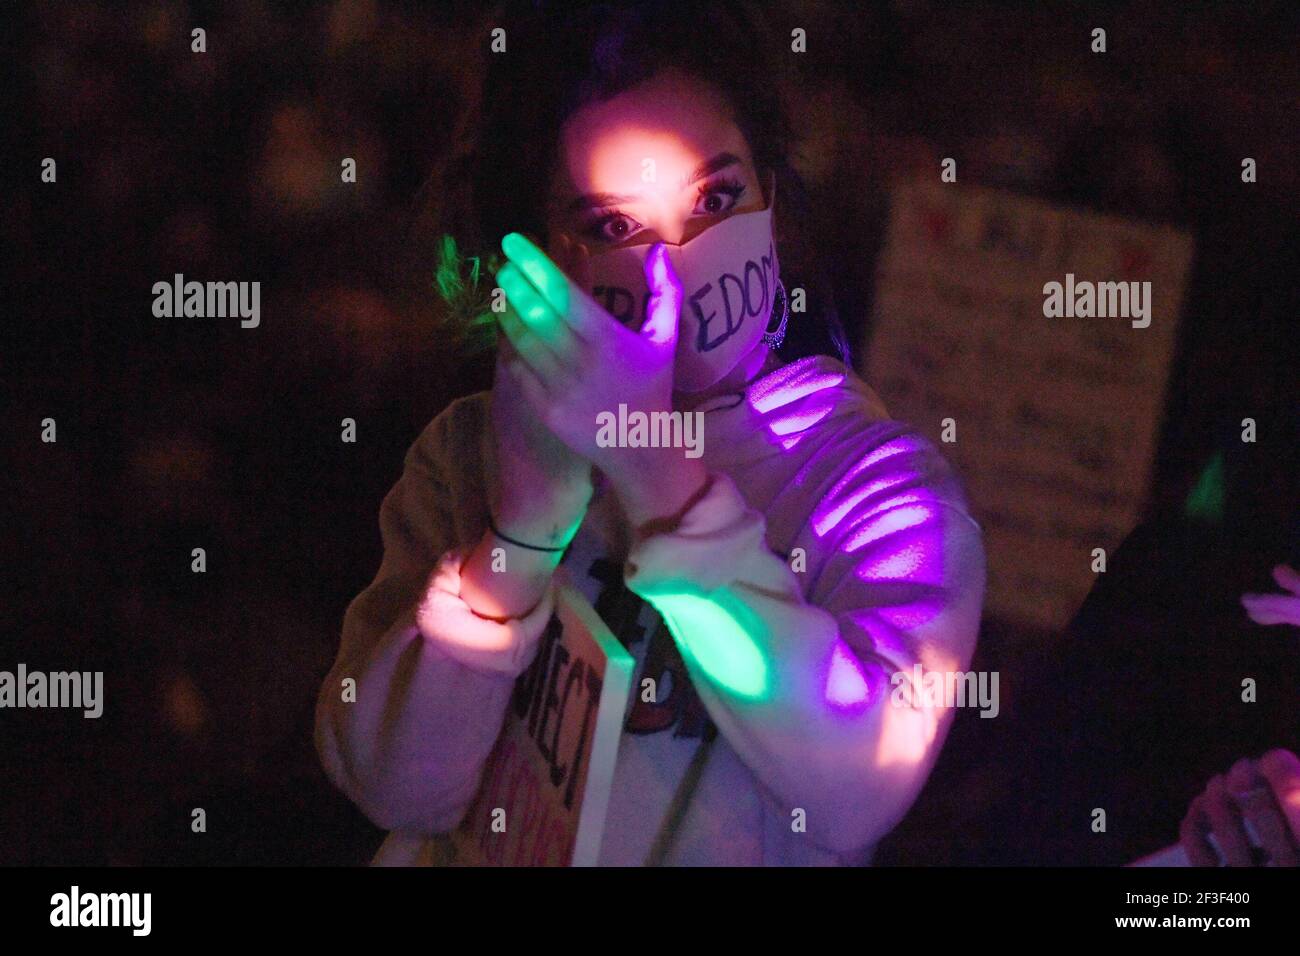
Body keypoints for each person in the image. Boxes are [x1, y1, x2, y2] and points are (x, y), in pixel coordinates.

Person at [315, 0, 985, 866]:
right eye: (615, 227)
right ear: (541, 255)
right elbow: (393, 786)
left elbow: (862, 785)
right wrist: (516, 542)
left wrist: (653, 471)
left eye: (716, 196)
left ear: (772, 201)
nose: (678, 259)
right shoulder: (469, 454)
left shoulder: (876, 490)